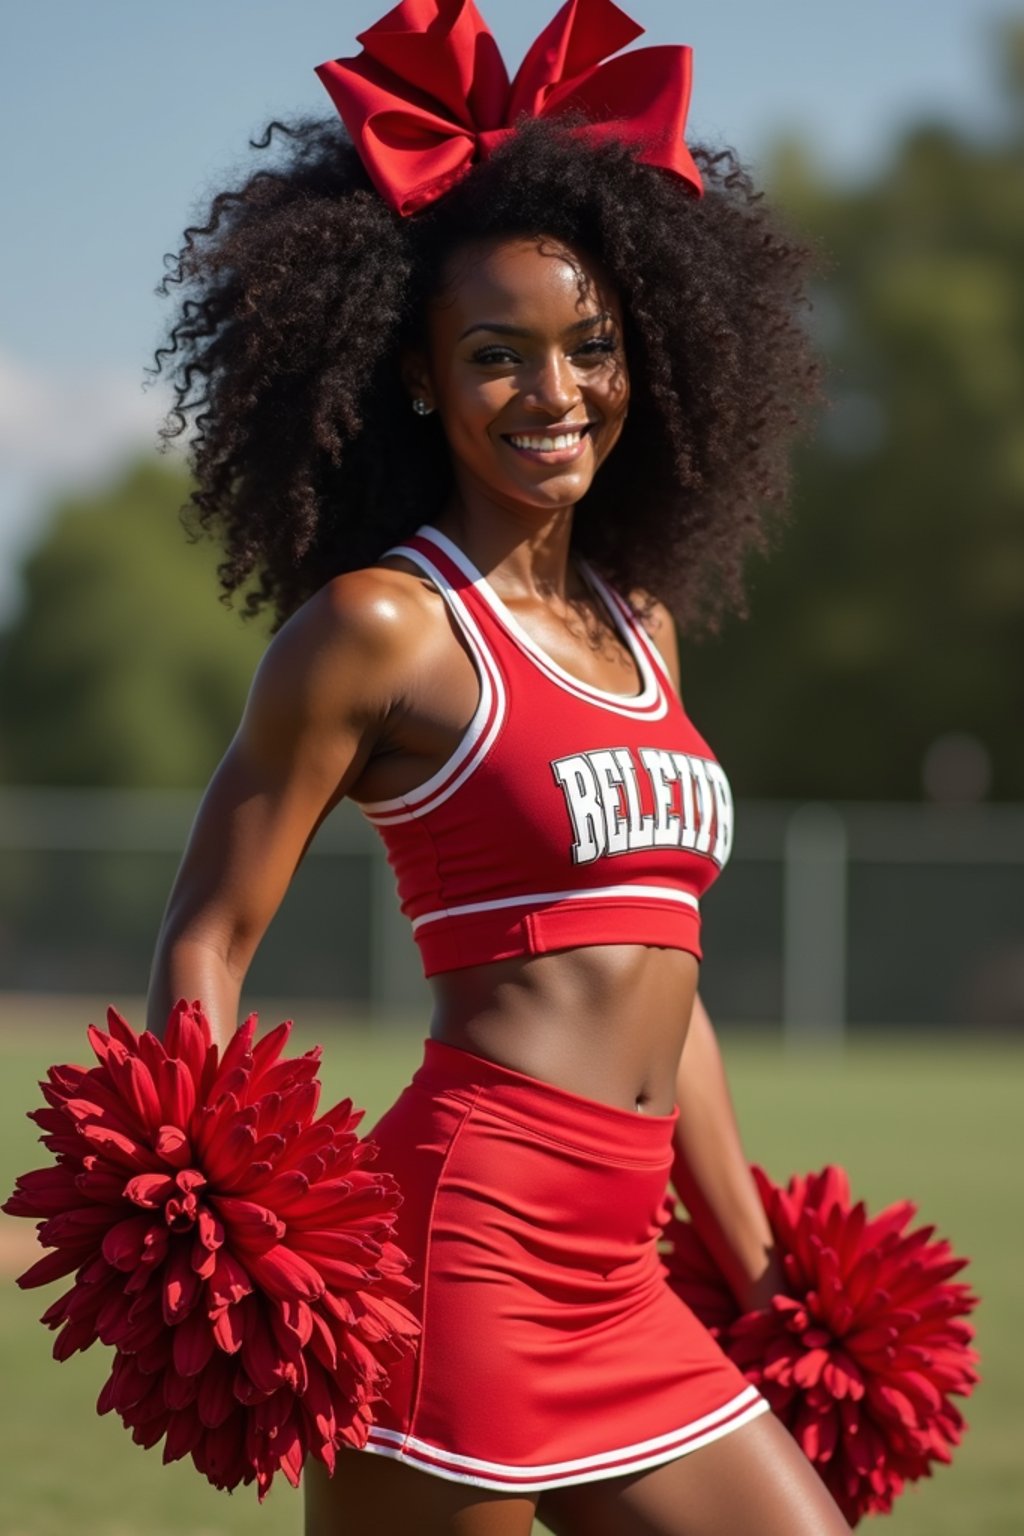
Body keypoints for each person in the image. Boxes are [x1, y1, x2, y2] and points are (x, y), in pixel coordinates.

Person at [146, 2, 849, 1530]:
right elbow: (209, 931)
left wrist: (765, 1267)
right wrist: (215, 1223)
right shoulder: (379, 630)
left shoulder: (640, 623)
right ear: (415, 376)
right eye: (498, 356)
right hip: (462, 1249)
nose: (557, 394)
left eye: (592, 347)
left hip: (627, 1271)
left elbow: (663, 961)